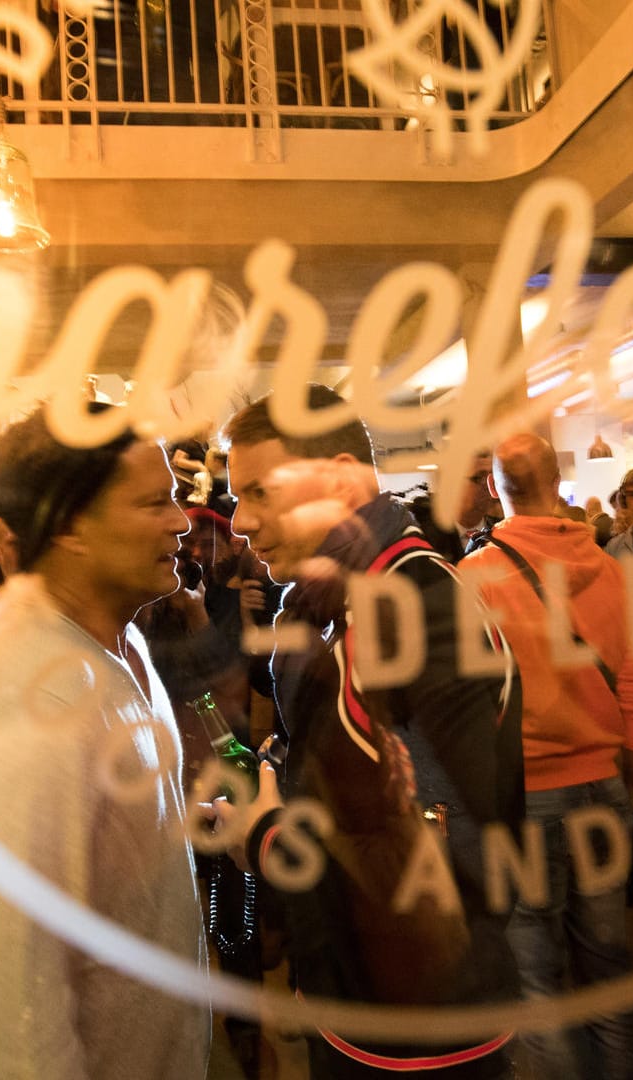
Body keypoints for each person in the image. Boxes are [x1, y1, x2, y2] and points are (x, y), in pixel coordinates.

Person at [219, 384, 523, 1078]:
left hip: (420, 1030)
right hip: (371, 1000)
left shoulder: (409, 605)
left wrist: (264, 837)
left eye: (261, 492)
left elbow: (432, 861)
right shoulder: (339, 600)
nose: (240, 520)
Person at [0, 405, 209, 1078]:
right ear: (71, 526)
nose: (181, 522)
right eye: (155, 503)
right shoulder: (25, 705)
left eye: (176, 500)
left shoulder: (118, 646)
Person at [461, 432, 633, 1079]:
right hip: (605, 786)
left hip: (527, 797)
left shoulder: (474, 579)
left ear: (494, 488)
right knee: (609, 971)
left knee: (535, 982)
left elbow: (467, 704)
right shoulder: (611, 569)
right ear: (558, 479)